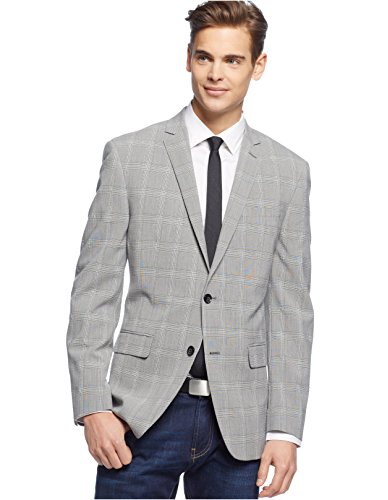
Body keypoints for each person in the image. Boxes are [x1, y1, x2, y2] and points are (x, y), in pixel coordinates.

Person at [66, 1, 314, 498]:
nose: (216, 74)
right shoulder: (130, 156)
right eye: (205, 58)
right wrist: (92, 405)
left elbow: (291, 308)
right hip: (139, 415)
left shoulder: (287, 172)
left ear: (258, 65)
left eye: (233, 60)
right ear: (188, 59)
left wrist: (285, 430)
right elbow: (94, 290)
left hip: (239, 422)